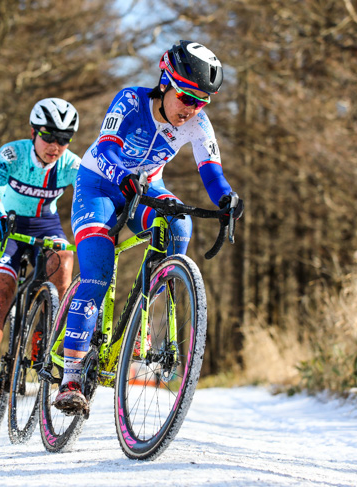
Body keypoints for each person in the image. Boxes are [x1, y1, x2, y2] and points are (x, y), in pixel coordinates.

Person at [55, 40, 245, 413]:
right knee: (96, 274)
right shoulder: (130, 101)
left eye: (201, 102)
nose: (191, 110)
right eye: (187, 97)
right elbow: (108, 148)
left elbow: (211, 170)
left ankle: (147, 301)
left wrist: (226, 198)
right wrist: (125, 177)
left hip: (146, 186)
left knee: (179, 224)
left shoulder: (197, 122)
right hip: (100, 183)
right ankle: (71, 376)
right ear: (165, 81)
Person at [0, 98, 81, 413]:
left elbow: (92, 192)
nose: (55, 145)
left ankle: (42, 336)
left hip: (46, 225)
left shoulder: (72, 164)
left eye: (63, 139)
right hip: (8, 223)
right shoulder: (11, 154)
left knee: (64, 268)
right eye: (48, 136)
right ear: (33, 131)